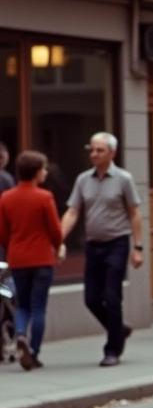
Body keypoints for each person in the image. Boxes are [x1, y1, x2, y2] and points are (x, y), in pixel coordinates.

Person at [60, 132, 143, 367]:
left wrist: (137, 247)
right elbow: (73, 211)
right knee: (91, 299)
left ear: (112, 153)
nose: (94, 154)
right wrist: (59, 238)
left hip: (117, 243)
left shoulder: (123, 179)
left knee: (112, 296)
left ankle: (112, 349)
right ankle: (119, 329)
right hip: (93, 245)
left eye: (99, 150)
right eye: (92, 150)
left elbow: (134, 213)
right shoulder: (83, 180)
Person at [0, 150, 63, 369]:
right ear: (37, 172)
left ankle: (20, 335)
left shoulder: (6, 198)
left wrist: (13, 247)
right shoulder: (44, 197)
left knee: (22, 306)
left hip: (18, 258)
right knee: (38, 307)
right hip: (42, 258)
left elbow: (3, 233)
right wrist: (57, 246)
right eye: (44, 169)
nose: (46, 172)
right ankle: (34, 352)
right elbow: (55, 230)